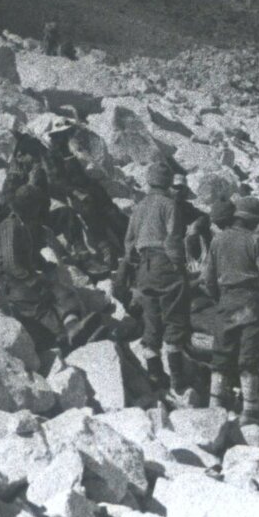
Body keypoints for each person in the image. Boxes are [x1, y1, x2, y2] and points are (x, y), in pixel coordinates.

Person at [203, 193, 259, 423]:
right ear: (251, 220)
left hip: (227, 301)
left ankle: (214, 405)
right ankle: (249, 410)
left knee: (221, 354)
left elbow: (208, 278)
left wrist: (219, 300)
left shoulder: (217, 240)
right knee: (249, 357)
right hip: (251, 304)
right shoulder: (256, 241)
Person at [113, 157, 197, 402]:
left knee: (151, 318)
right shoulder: (170, 205)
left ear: (149, 181)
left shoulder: (139, 207)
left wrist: (136, 268)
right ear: (168, 183)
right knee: (174, 316)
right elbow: (173, 240)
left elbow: (129, 243)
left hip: (144, 268)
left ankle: (154, 376)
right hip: (165, 264)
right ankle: (178, 380)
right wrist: (180, 268)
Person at [0, 172, 72, 363]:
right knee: (37, 302)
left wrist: (43, 265)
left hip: (19, 275)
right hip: (7, 279)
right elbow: (10, 263)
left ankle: (69, 328)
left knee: (56, 292)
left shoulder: (22, 224)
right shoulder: (10, 226)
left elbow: (28, 255)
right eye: (36, 206)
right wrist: (32, 280)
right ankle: (62, 337)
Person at [45, 115, 126, 273]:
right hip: (76, 192)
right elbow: (56, 181)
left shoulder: (77, 147)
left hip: (92, 186)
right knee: (90, 215)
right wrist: (75, 192)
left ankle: (129, 245)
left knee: (112, 213)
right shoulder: (53, 155)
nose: (67, 135)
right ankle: (107, 251)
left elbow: (93, 167)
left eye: (69, 132)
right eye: (63, 133)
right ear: (57, 136)